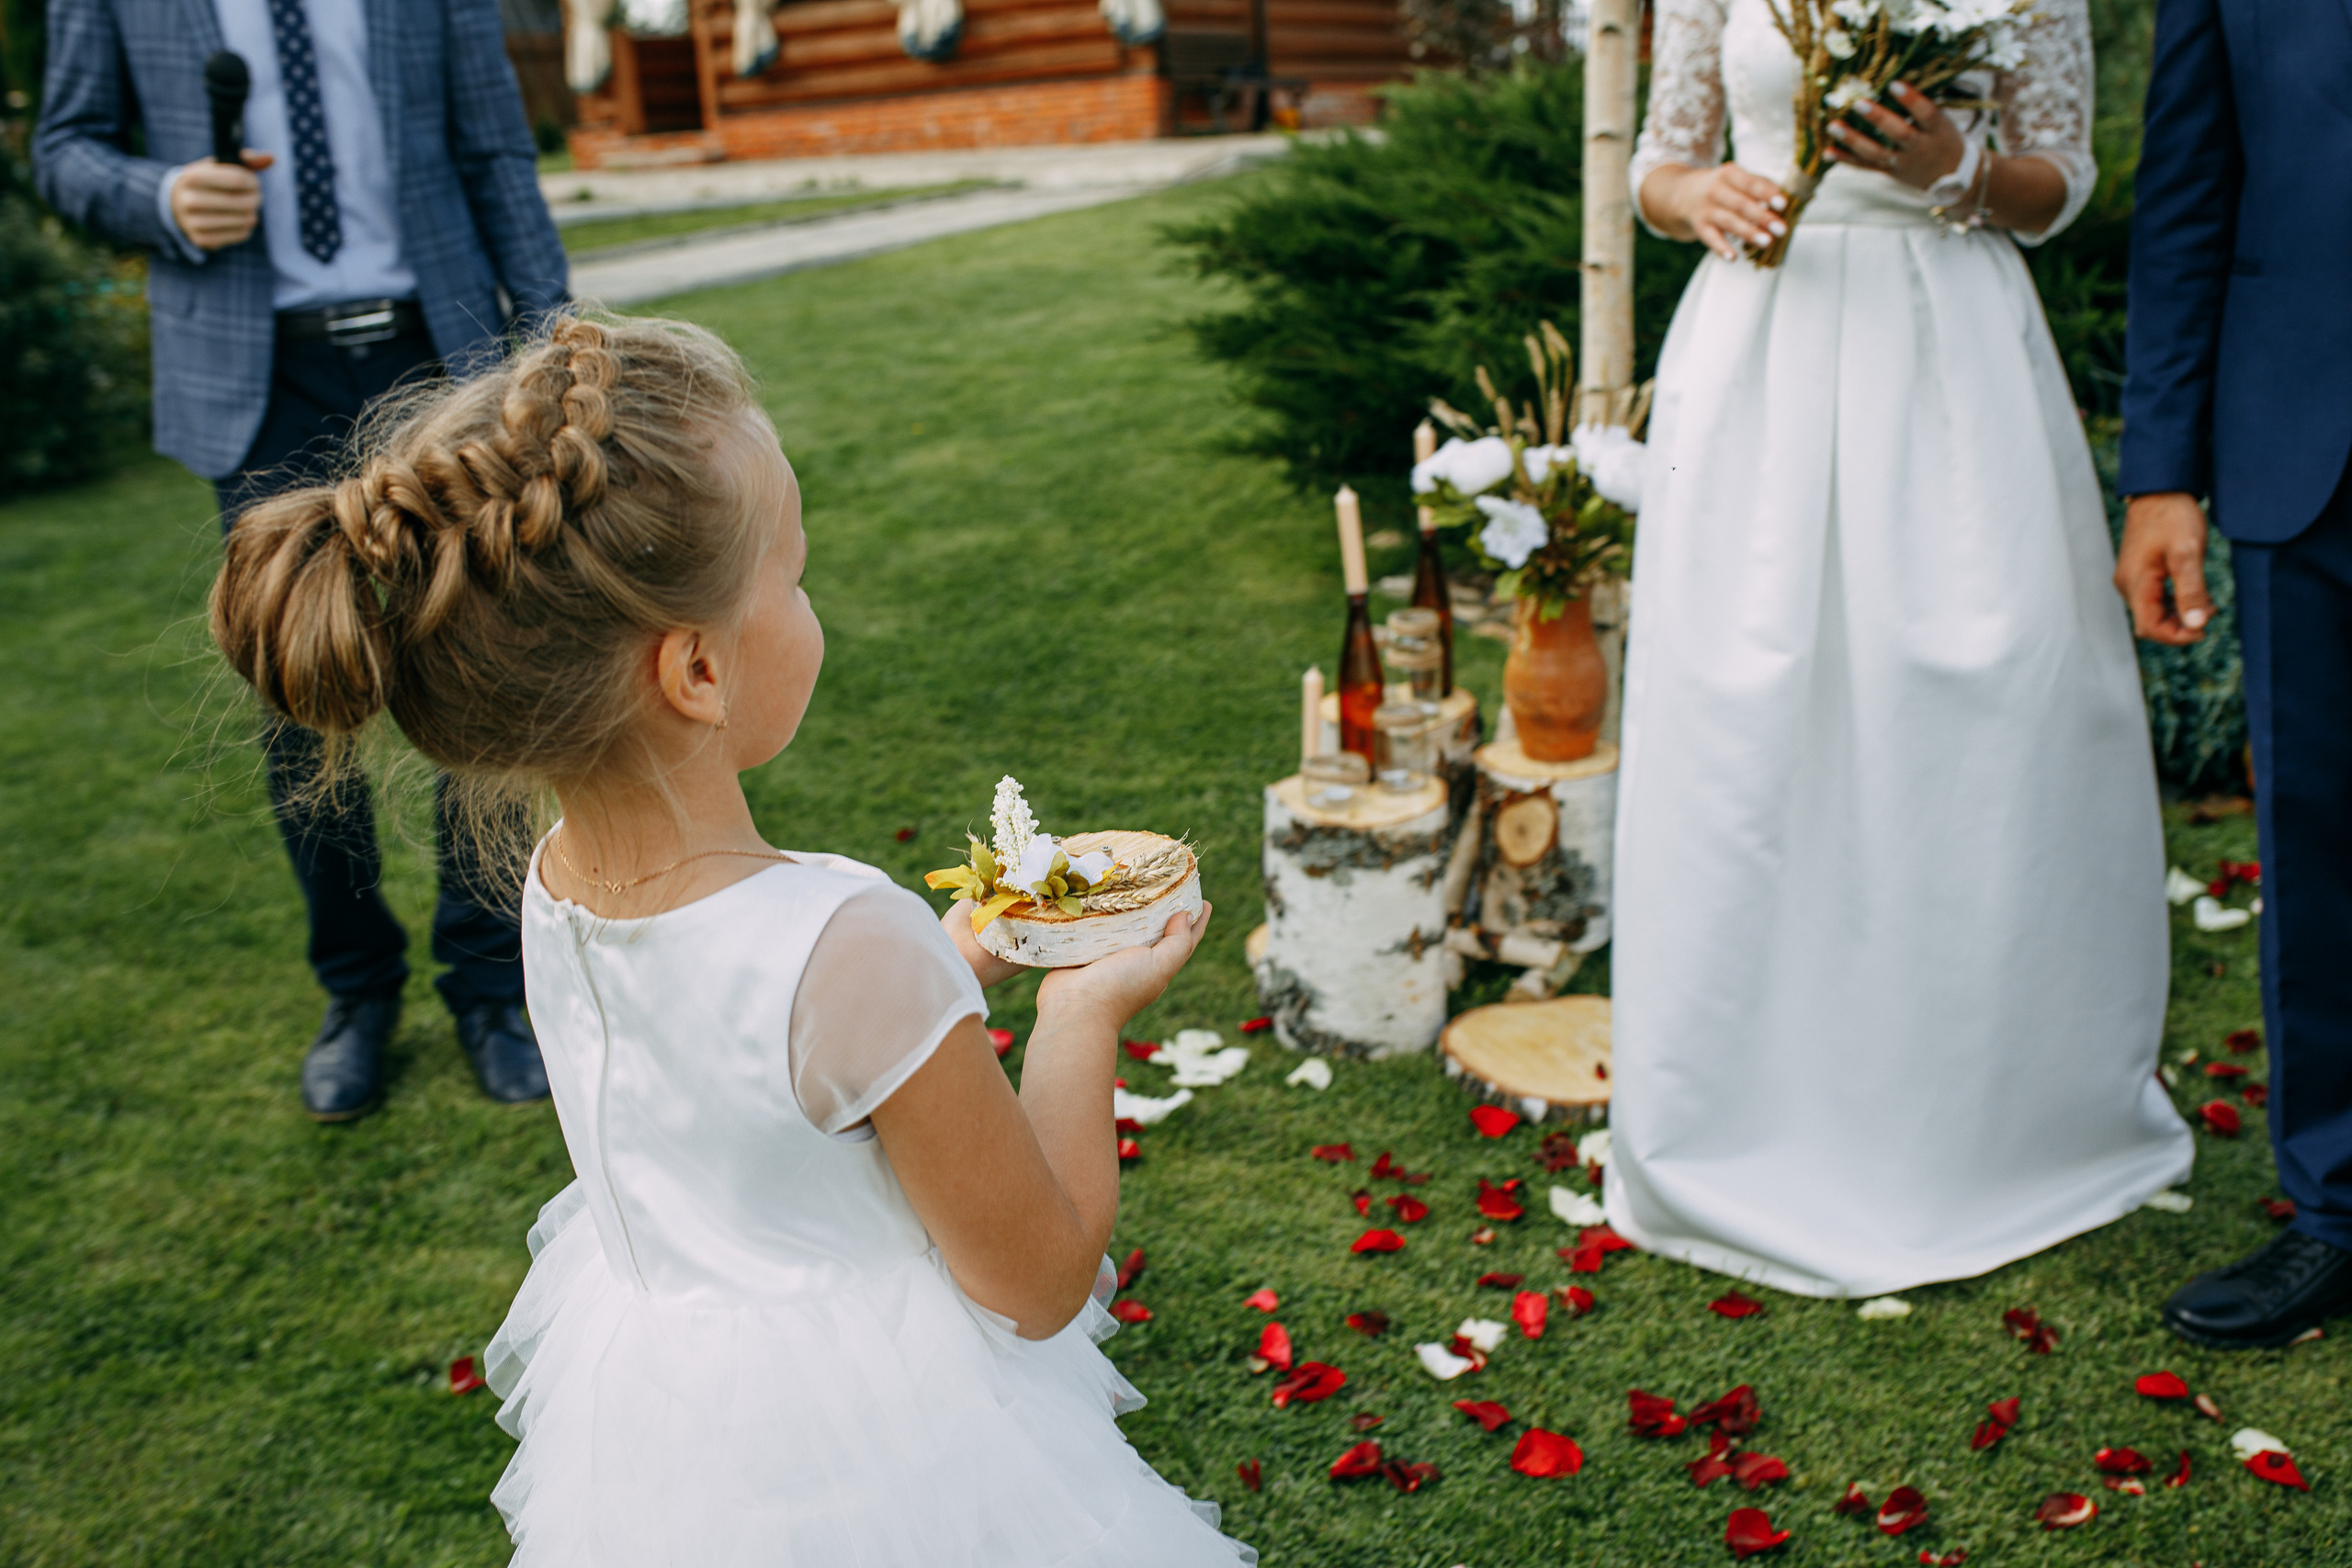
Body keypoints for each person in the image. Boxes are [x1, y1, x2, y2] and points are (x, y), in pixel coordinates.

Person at [205, 313, 1256, 1564]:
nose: (809, 600)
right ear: (696, 668)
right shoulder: (849, 934)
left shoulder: (554, 881)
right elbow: (1032, 1282)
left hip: (673, 1419)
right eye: (794, 574)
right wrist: (1081, 1015)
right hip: (885, 1445)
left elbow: (745, 1068)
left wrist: (942, 966)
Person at [1600, 0, 2192, 1296]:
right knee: (1744, 718)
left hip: (1950, 356)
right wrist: (1701, 198)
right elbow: (1657, 160)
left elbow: (2064, 181)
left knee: (1977, 714)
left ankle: (1984, 1116)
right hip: (1759, 342)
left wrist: (1959, 175)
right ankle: (1740, 1101)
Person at [34, 0, 571, 1120]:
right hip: (258, 379)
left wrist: (557, 345)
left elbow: (493, 147)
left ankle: (488, 987)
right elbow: (64, 150)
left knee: (483, 669)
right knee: (300, 704)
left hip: (439, 351)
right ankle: (357, 990)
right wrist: (163, 198)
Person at [2117, 0, 2352, 1348]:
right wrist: (2161, 472)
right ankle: (2335, 1210)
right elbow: (2190, 192)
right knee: (2317, 845)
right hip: (2302, 453)